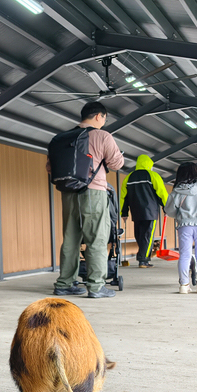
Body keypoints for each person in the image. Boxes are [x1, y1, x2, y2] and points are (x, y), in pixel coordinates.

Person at [48, 101, 124, 298]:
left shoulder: (61, 138)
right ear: (99, 116)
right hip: (93, 192)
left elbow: (50, 168)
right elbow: (116, 163)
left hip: (68, 191)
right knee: (96, 238)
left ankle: (64, 283)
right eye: (104, 118)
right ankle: (97, 286)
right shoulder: (102, 135)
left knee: (70, 239)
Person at [164, 162, 197, 294]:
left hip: (185, 225)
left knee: (184, 255)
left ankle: (184, 286)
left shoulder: (178, 190)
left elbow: (169, 211)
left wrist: (181, 215)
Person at [119, 154, 168, 267]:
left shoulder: (129, 177)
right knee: (148, 235)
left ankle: (142, 256)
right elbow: (161, 193)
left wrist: (124, 212)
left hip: (136, 212)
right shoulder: (152, 175)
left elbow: (123, 197)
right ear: (149, 164)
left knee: (140, 235)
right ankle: (144, 260)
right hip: (150, 212)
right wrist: (166, 207)